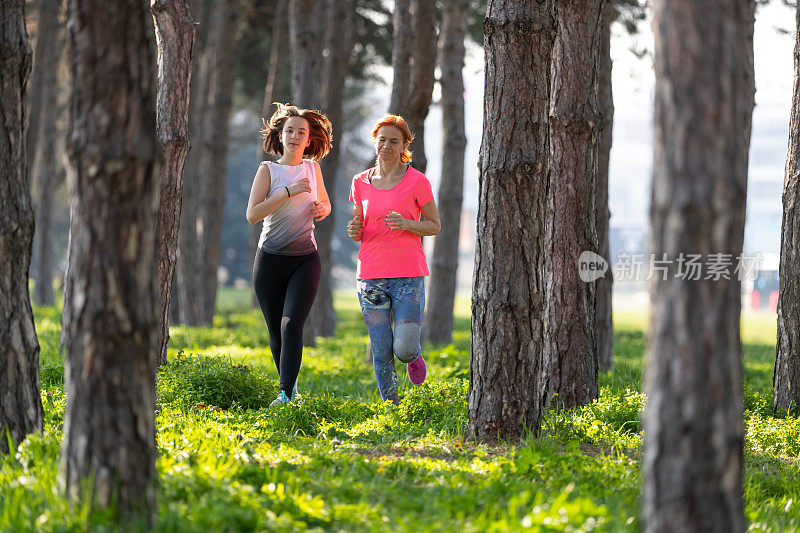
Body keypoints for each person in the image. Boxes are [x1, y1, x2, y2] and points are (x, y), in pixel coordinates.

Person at [347, 114, 441, 405]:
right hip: (371, 276)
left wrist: (407, 224)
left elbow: (434, 225)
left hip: (408, 276)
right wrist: (354, 231)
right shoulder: (360, 182)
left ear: (404, 146)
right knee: (381, 349)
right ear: (375, 141)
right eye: (382, 139)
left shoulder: (417, 181)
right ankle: (392, 407)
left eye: (394, 141)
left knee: (402, 348)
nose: (387, 145)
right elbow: (359, 227)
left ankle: (414, 356)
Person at [246, 103, 332, 406]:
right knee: (276, 333)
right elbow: (252, 215)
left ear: (309, 140)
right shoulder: (268, 170)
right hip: (270, 260)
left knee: (291, 324)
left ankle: (284, 394)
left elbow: (325, 203)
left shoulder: (313, 168)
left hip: (305, 258)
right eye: (290, 131)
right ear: (280, 136)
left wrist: (321, 209)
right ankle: (290, 387)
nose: (295, 136)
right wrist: (288, 192)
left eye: (302, 132)